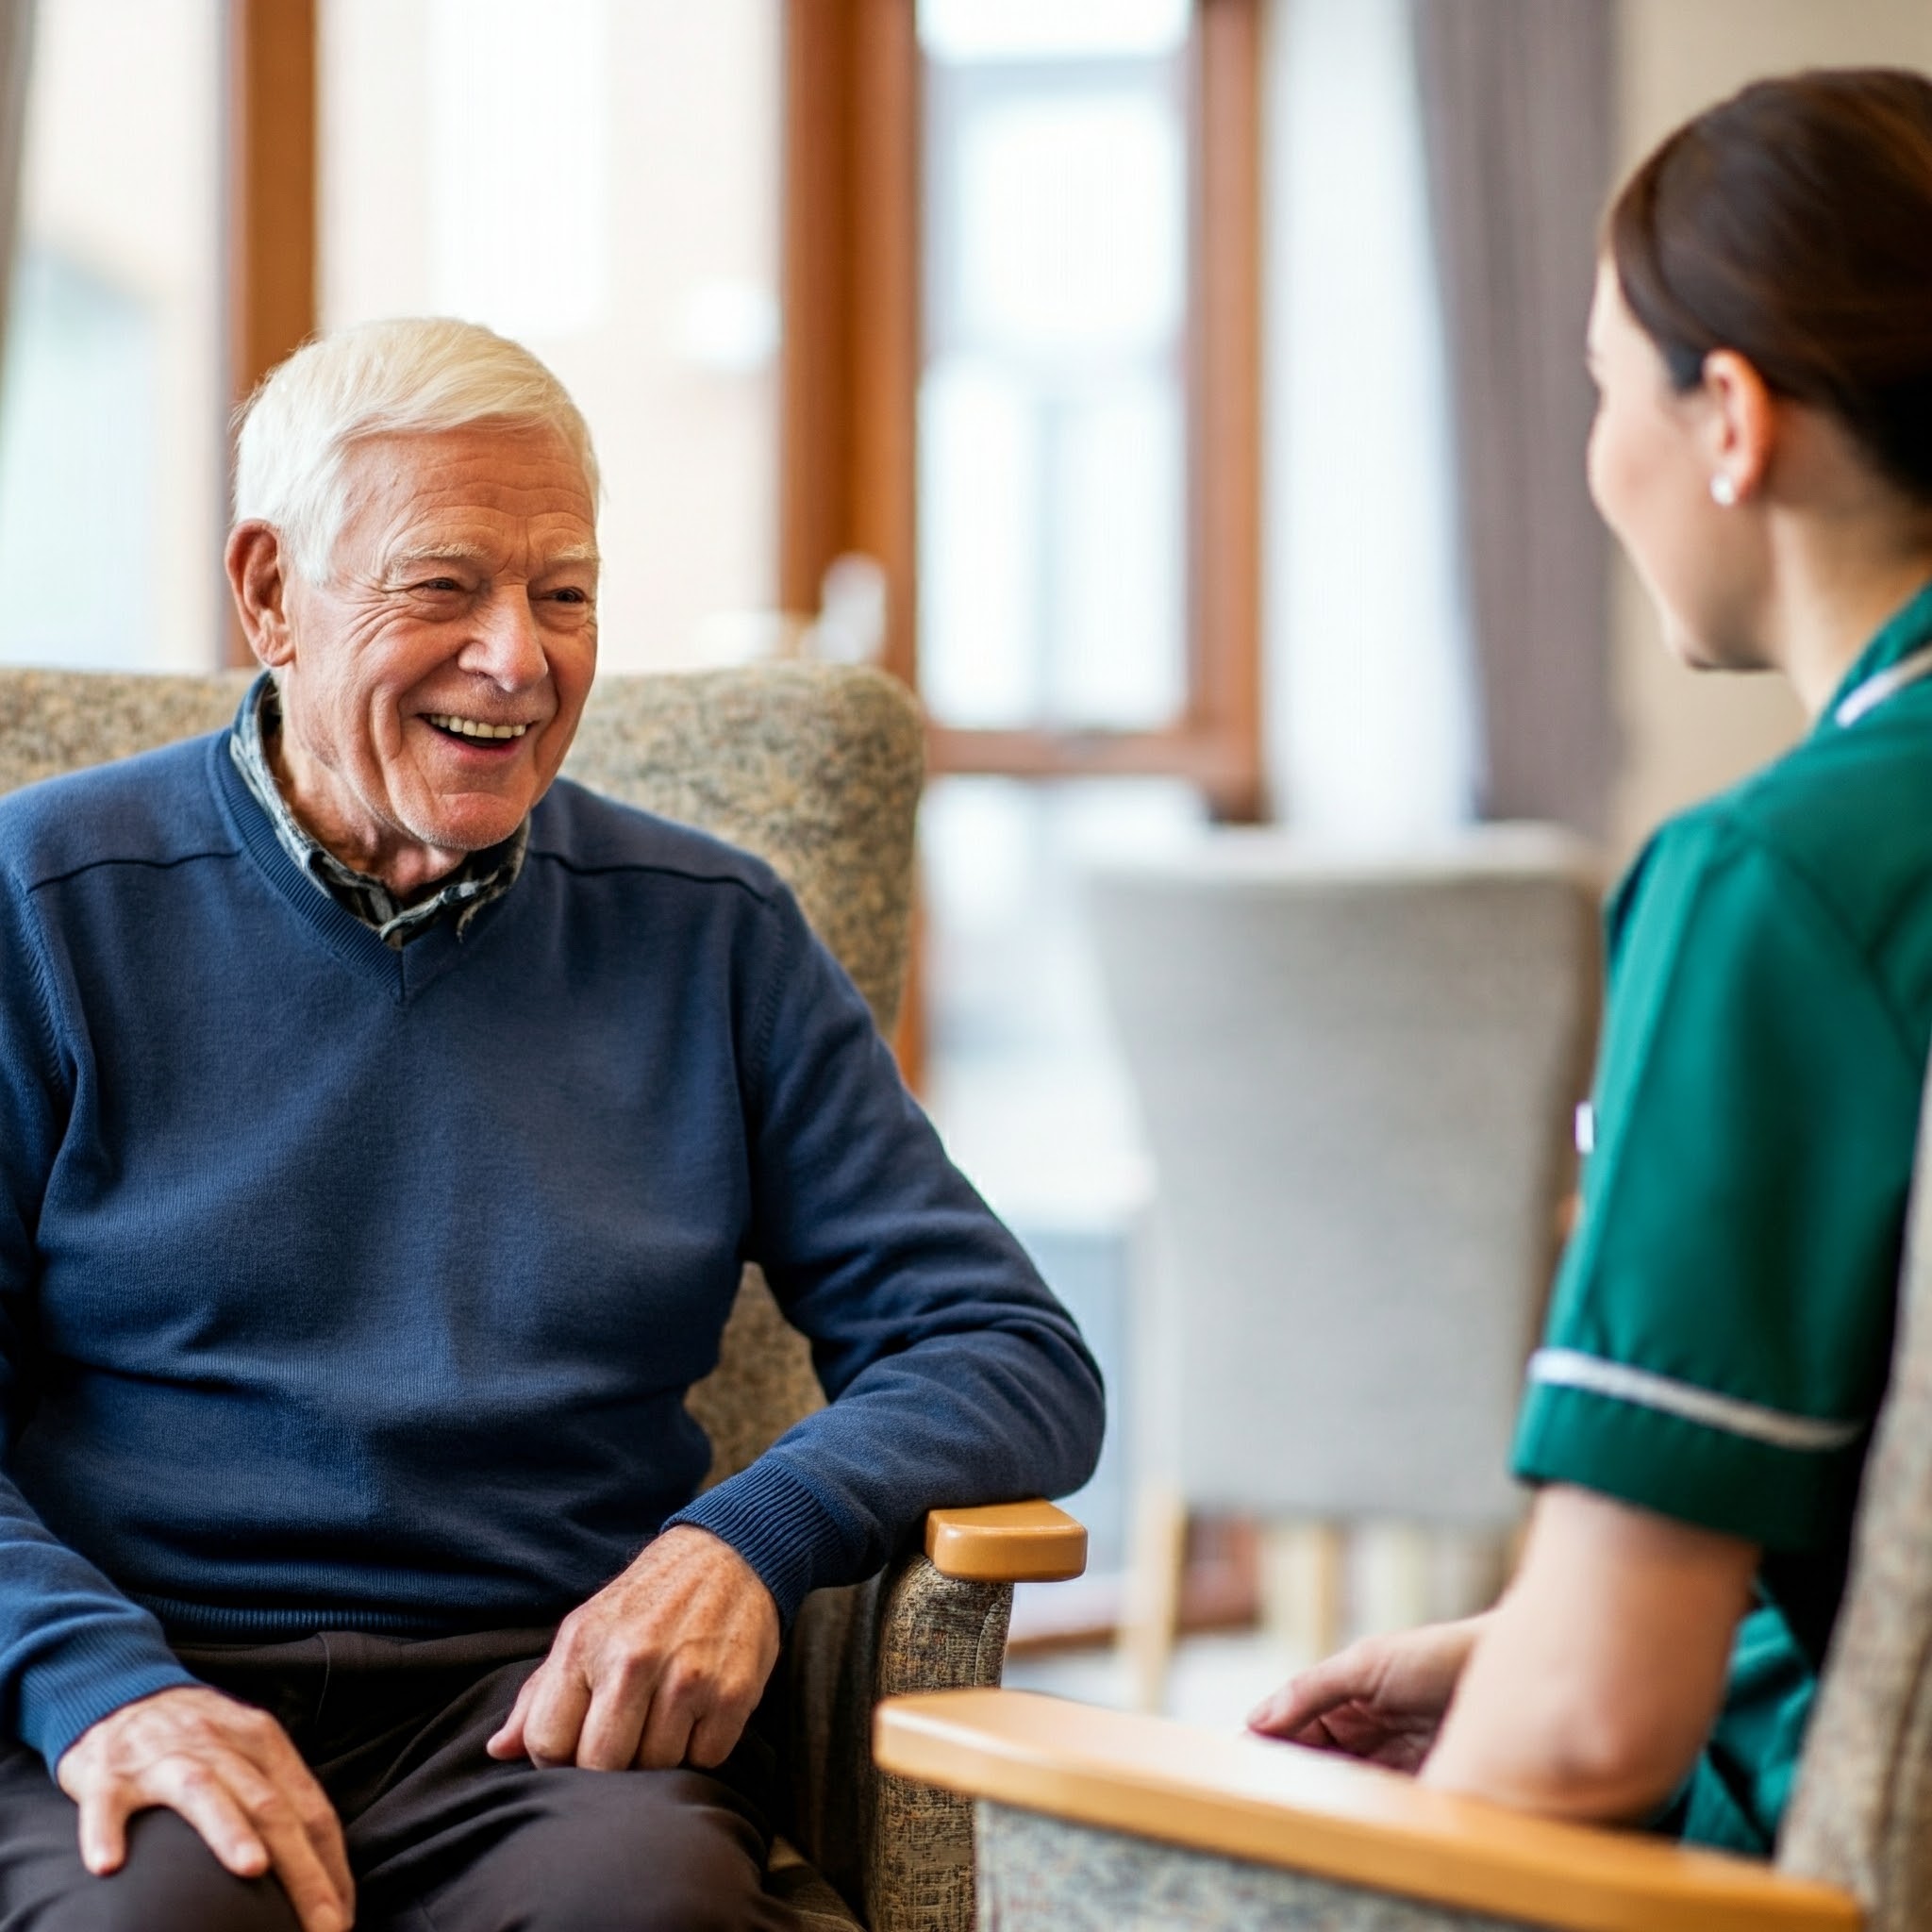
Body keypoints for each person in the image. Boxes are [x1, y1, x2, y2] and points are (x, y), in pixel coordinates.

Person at [0, 317, 1104, 1931]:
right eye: (443, 587)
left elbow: (1007, 1346)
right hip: (131, 1678)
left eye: (564, 593)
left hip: (537, 1721)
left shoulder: (712, 934)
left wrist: (744, 1540)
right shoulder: (45, 905)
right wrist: (97, 1687)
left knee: (647, 1914)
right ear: (269, 596)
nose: (518, 659)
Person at [1249, 67, 1932, 1854]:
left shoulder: (1781, 883)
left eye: (1601, 390)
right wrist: (1519, 1639)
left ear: (1733, 419)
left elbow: (1584, 1740)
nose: (1590, 456)